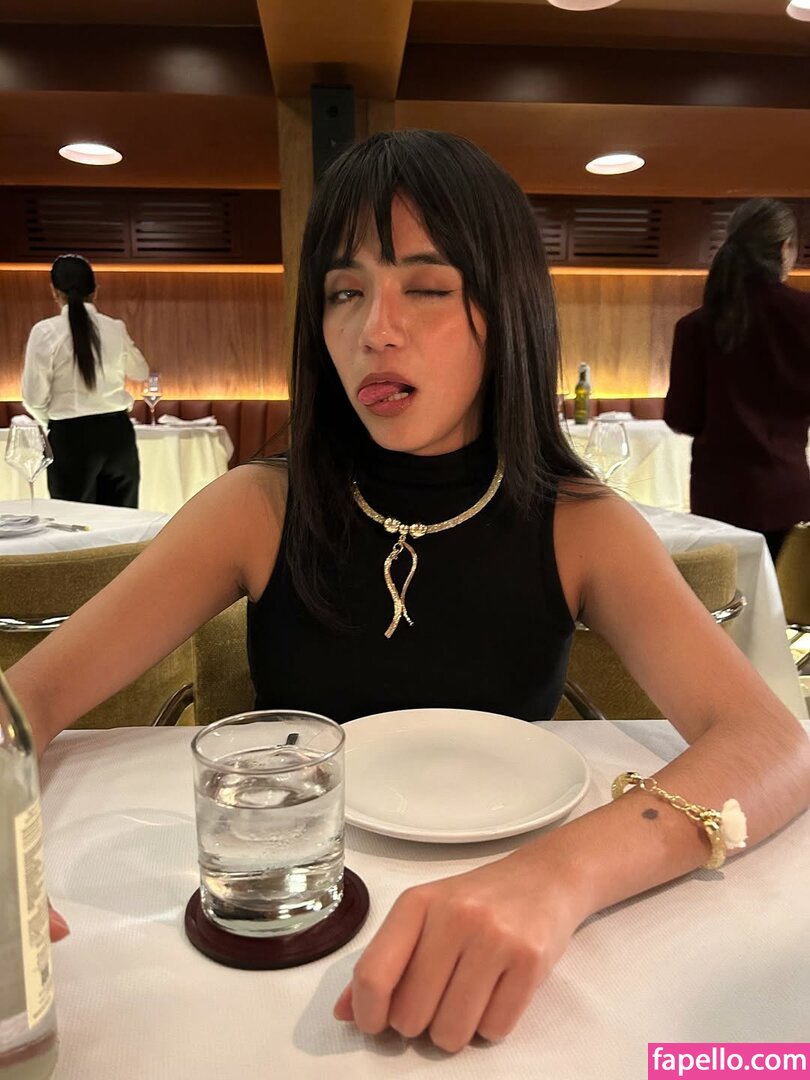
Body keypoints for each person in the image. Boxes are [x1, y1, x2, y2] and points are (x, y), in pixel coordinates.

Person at [7, 133, 810, 1053]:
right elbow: (22, 705)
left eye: (426, 288)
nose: (373, 331)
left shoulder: (579, 523)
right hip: (288, 930)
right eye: (344, 292)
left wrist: (558, 877)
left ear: (507, 308)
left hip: (518, 944)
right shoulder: (257, 508)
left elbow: (772, 746)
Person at [664, 198, 810, 563]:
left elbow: (681, 417)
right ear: (784, 248)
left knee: (728, 595)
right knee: (786, 593)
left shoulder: (694, 326)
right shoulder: (805, 315)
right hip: (787, 495)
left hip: (718, 499)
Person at [21, 253, 150, 507]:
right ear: (95, 290)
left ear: (55, 292)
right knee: (123, 520)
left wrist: (56, 421)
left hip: (70, 437)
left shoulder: (45, 331)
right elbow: (141, 372)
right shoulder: (115, 327)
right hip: (118, 434)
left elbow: (33, 398)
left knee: (74, 521)